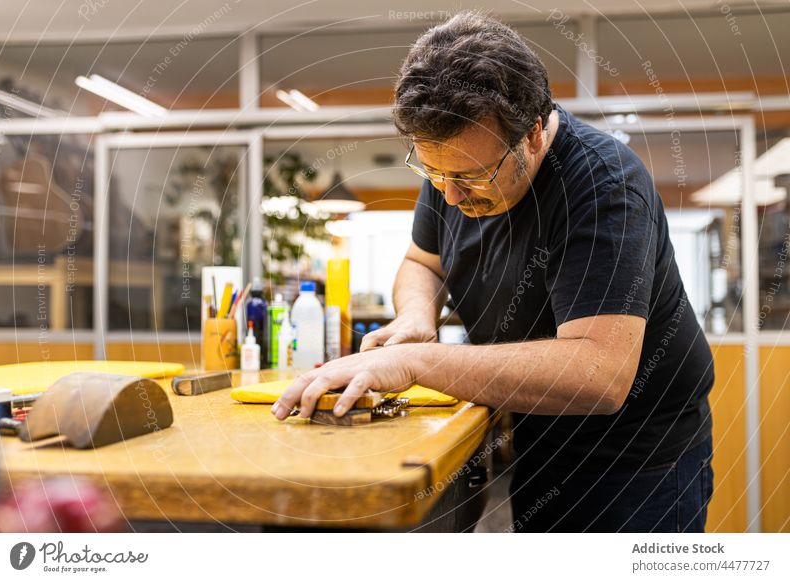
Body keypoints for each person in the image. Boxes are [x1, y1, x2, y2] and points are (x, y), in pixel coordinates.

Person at [272, 11, 714, 532]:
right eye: (434, 173)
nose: (451, 195)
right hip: (538, 438)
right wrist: (416, 315)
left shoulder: (602, 186)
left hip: (637, 464)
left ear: (531, 135)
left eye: (471, 177)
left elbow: (600, 374)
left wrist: (419, 362)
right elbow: (421, 262)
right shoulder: (453, 162)